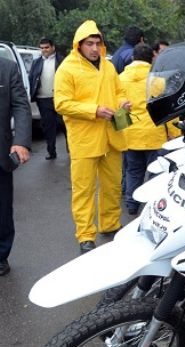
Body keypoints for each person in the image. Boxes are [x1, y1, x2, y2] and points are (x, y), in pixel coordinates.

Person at [55, 20, 131, 254]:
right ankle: (85, 234)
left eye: (98, 43)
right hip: (85, 139)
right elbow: (61, 103)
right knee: (84, 190)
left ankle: (110, 225)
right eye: (90, 43)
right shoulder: (67, 68)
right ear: (79, 44)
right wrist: (93, 110)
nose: (95, 48)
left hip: (112, 135)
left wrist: (122, 103)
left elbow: (119, 91)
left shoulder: (108, 67)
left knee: (111, 186)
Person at [119, 43, 170, 216]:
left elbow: (118, 108)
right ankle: (151, 205)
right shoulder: (158, 80)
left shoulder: (120, 79)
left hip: (130, 134)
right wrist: (173, 133)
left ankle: (131, 205)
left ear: (133, 58)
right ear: (152, 58)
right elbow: (167, 109)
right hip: (154, 134)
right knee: (155, 172)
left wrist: (121, 132)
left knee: (133, 171)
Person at [0, 57, 32, 276]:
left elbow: (21, 106)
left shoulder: (7, 67)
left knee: (2, 209)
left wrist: (20, 141)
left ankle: (1, 256)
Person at [28, 37, 65, 160]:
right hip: (43, 99)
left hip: (60, 98)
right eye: (42, 48)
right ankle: (51, 152)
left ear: (53, 47)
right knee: (48, 127)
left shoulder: (62, 61)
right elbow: (32, 79)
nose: (44, 50)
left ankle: (72, 150)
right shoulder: (36, 62)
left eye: (47, 47)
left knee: (65, 124)